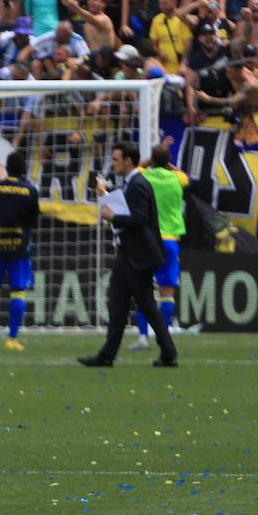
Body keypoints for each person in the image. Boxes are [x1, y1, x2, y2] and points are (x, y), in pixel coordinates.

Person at [79, 142, 179, 368]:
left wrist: (113, 218)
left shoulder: (139, 184)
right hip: (129, 254)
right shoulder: (133, 184)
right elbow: (128, 210)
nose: (112, 163)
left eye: (116, 159)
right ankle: (108, 355)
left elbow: (139, 219)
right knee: (119, 304)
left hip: (137, 256)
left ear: (128, 161)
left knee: (144, 306)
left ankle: (168, 353)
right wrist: (104, 196)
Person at [0, 152, 41, 351]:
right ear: (23, 169)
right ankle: (12, 338)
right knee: (17, 292)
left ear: (8, 167)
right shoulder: (30, 190)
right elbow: (33, 219)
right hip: (19, 248)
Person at [132, 144, 190, 349]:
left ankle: (142, 337)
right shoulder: (178, 178)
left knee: (143, 291)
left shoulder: (144, 176)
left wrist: (151, 161)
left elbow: (137, 168)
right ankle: (162, 336)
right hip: (170, 240)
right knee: (167, 294)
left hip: (149, 239)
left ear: (153, 160)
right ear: (168, 161)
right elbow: (184, 175)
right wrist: (167, 163)